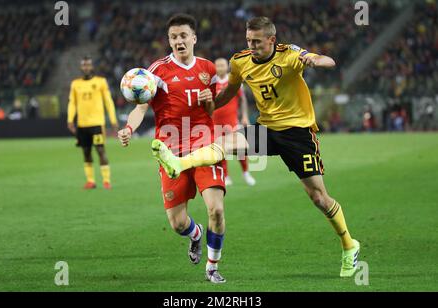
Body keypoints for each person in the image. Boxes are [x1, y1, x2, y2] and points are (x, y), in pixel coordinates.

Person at [152, 16, 360, 278]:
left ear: (272, 40)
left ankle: (349, 245)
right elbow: (230, 91)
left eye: (257, 41)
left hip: (298, 134)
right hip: (266, 130)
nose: (252, 45)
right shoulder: (240, 61)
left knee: (318, 197)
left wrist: (314, 60)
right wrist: (210, 103)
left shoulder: (290, 55)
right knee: (223, 143)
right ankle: (179, 163)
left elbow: (327, 61)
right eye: (248, 40)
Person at [117, 14, 227, 283]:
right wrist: (128, 128)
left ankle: (212, 268)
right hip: (170, 152)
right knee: (178, 223)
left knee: (216, 209)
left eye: (183, 36)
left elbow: (212, 110)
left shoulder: (208, 69)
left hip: (204, 146)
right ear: (169, 41)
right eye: (174, 37)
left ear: (194, 38)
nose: (179, 41)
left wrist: (209, 101)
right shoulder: (156, 72)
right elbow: (141, 107)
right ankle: (195, 235)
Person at [67, 56, 118, 190]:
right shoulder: (75, 84)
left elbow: (108, 101)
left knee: (100, 150)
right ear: (80, 67)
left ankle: (106, 181)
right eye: (84, 65)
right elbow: (72, 103)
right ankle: (90, 181)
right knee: (86, 152)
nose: (86, 67)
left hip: (96, 124)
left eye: (88, 65)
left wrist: (113, 120)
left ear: (92, 66)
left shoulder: (101, 82)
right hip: (82, 125)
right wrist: (70, 119)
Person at [212, 58, 256, 186]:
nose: (220, 67)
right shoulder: (212, 83)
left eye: (222, 65)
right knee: (221, 150)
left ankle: (246, 173)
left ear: (227, 67)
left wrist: (245, 116)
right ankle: (226, 176)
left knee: (241, 149)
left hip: (232, 121)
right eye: (218, 65)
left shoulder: (234, 82)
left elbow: (242, 100)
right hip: (215, 123)